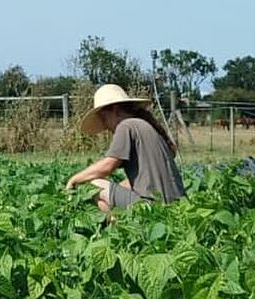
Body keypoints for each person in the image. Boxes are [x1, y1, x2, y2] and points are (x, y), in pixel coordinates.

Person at [65, 84, 185, 212]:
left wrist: (74, 180)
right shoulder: (144, 126)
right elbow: (139, 180)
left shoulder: (126, 125)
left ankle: (113, 230)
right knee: (121, 186)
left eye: (104, 119)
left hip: (152, 208)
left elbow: (108, 165)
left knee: (94, 186)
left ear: (114, 110)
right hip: (177, 208)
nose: (106, 126)